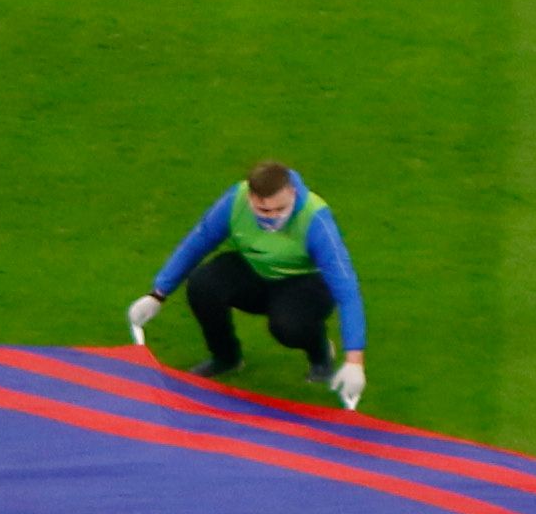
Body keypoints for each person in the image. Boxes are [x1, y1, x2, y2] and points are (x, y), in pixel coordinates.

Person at [129, 161, 366, 409]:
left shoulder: (316, 220)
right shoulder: (235, 201)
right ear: (251, 197)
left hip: (304, 282)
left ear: (292, 193)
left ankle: (320, 353)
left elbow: (347, 290)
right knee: (203, 285)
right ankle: (225, 357)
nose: (272, 218)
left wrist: (354, 361)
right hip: (254, 270)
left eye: (280, 209)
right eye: (263, 211)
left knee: (288, 326)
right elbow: (198, 242)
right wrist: (158, 293)